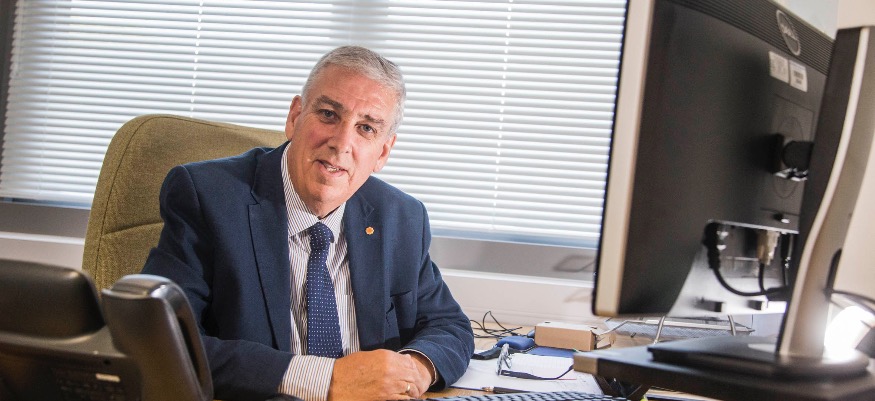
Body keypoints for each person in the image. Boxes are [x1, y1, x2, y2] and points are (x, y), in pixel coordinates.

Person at [141, 46, 474, 401]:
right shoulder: (208, 197)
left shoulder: (401, 217)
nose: (341, 144)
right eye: (329, 115)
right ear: (295, 116)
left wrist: (411, 371)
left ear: (382, 152)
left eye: (366, 128)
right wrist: (327, 380)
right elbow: (161, 341)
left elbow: (449, 325)